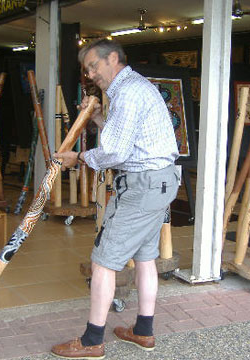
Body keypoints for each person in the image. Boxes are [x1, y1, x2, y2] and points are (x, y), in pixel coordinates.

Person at [52, 39, 180, 359]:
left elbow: (116, 152)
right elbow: (125, 138)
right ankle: (143, 332)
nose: (91, 74)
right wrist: (95, 117)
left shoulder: (127, 92)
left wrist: (78, 158)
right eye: (87, 70)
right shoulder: (135, 88)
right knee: (146, 257)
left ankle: (92, 340)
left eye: (94, 66)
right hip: (159, 182)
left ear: (113, 58)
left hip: (141, 186)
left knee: (103, 262)